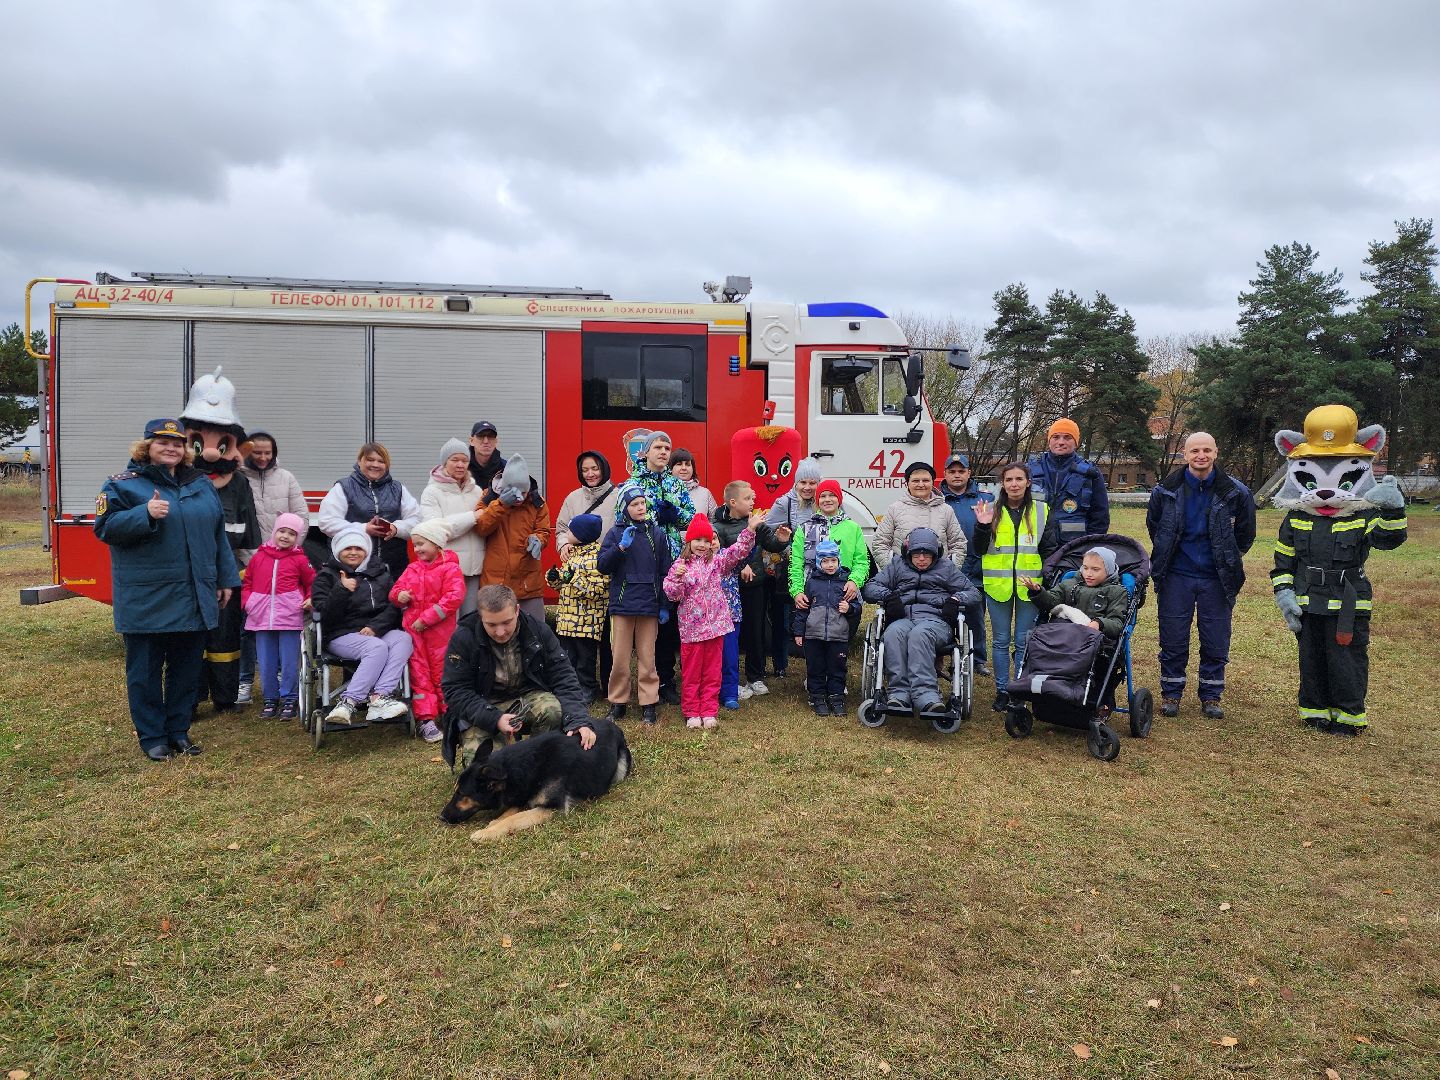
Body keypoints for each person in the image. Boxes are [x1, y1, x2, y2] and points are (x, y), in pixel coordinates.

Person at [94, 418, 240, 761]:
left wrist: (225, 579)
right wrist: (143, 513)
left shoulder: (200, 485)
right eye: (162, 442)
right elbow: (104, 527)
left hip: (194, 594)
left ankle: (178, 732)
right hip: (147, 597)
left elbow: (218, 535)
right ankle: (153, 738)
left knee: (187, 669)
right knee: (144, 673)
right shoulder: (122, 485)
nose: (171, 448)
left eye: (177, 443)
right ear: (147, 447)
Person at [1146, 432, 1257, 720]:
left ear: (1216, 453)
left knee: (1215, 639)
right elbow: (1156, 529)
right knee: (1173, 638)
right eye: (1195, 450)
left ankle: (1211, 695)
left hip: (1217, 579)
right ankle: (1171, 693)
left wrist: (1226, 558)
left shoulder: (1236, 492)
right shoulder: (1165, 491)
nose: (1201, 456)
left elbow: (1245, 535)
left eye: (1207, 450)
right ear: (1185, 454)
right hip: (1176, 576)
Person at [441, 584, 598, 771]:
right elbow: (455, 690)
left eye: (506, 622)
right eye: (491, 625)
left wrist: (579, 720)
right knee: (485, 772)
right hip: (482, 706)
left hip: (525, 699)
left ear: (517, 610)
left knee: (551, 709)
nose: (500, 632)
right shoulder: (463, 638)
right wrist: (494, 718)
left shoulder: (538, 630)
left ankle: (538, 763)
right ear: (481, 615)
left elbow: (563, 676)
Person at [972, 461, 1061, 709]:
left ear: (1028, 482)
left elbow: (1050, 550)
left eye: (1019, 479)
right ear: (1003, 483)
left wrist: (1045, 578)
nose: (1014, 484)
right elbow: (978, 550)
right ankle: (1002, 690)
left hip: (1029, 587)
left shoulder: (1042, 511)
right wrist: (981, 525)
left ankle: (1020, 690)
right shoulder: (988, 510)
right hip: (997, 585)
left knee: (1024, 640)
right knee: (1000, 640)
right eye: (1009, 480)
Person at [861, 527, 979, 715]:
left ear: (935, 554)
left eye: (927, 555)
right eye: (917, 554)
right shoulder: (897, 565)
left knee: (919, 634)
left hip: (936, 621)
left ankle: (927, 696)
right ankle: (899, 694)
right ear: (908, 553)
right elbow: (870, 588)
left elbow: (974, 593)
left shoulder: (946, 568)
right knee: (893, 633)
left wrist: (956, 600)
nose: (922, 559)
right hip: (904, 619)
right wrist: (889, 596)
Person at [662, 511, 761, 729]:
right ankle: (691, 712)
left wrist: (750, 529)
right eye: (698, 540)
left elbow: (737, 552)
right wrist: (678, 577)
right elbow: (672, 594)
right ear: (689, 541)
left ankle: (708, 710)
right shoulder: (680, 565)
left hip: (716, 627)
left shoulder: (717, 563)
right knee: (692, 672)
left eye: (706, 541)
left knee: (712, 672)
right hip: (692, 630)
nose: (702, 545)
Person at [311, 525, 413, 725]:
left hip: (376, 630)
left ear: (366, 550)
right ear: (338, 550)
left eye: (358, 548)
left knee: (403, 639)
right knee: (377, 647)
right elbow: (324, 614)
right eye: (348, 549)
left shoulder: (380, 572)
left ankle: (379, 697)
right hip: (341, 634)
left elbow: (394, 604)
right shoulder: (327, 575)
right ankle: (349, 702)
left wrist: (376, 626)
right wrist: (341, 590)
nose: (353, 552)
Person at [239, 429, 308, 699]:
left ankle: (282, 675)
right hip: (249, 559)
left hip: (285, 561)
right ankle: (245, 680)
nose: (264, 457)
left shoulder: (286, 478)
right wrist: (251, 557)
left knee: (283, 624)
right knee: (249, 627)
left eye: (268, 453)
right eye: (258, 453)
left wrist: (290, 549)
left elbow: (301, 515)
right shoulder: (238, 478)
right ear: (247, 452)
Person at [626, 431, 694, 705]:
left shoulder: (676, 484)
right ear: (645, 452)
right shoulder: (633, 482)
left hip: (674, 565)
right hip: (645, 562)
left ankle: (667, 680)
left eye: (667, 447)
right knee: (647, 624)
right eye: (658, 447)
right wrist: (655, 515)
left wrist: (675, 514)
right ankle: (647, 678)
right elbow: (625, 514)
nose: (664, 452)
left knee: (669, 627)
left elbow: (691, 516)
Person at [596, 484, 673, 725]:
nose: (640, 508)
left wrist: (664, 604)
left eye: (642, 503)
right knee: (619, 657)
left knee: (647, 657)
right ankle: (618, 702)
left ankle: (648, 703)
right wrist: (620, 548)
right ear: (624, 509)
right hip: (622, 605)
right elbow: (603, 565)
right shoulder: (616, 533)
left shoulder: (657, 534)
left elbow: (665, 571)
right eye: (634, 504)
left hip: (649, 604)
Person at [711, 480, 787, 707]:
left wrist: (782, 539)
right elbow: (718, 552)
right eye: (748, 498)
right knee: (733, 635)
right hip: (728, 590)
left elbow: (771, 544)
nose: (753, 502)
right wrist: (739, 565)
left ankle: (756, 676)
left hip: (755, 585)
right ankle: (731, 681)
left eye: (753, 498)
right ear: (733, 502)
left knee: (756, 629)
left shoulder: (756, 522)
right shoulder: (718, 525)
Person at [390, 519, 466, 743]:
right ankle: (426, 718)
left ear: (436, 543)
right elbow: (395, 590)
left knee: (444, 673)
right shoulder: (412, 569)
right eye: (415, 545)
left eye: (422, 544)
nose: (417, 549)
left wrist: (426, 618)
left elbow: (454, 598)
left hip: (440, 636)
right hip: (415, 634)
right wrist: (399, 596)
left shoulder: (450, 568)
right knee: (419, 674)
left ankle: (451, 714)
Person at [241, 511, 315, 721]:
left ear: (297, 538)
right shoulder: (259, 557)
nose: (285, 536)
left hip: (289, 617)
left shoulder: (300, 560)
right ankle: (270, 698)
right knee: (266, 662)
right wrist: (249, 602)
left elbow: (312, 584)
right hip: (260, 617)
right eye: (282, 531)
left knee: (290, 661)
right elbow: (247, 583)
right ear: (274, 531)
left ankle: (290, 698)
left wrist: (310, 599)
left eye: (291, 534)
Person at [318, 442, 420, 582]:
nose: (375, 465)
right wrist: (363, 529)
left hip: (394, 568)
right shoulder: (343, 487)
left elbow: (417, 520)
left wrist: (395, 528)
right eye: (370, 460)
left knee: (392, 603)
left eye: (381, 461)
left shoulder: (398, 488)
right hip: (352, 570)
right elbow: (326, 522)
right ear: (360, 461)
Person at [764, 457, 824, 679]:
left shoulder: (825, 501)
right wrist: (784, 542)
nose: (807, 488)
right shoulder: (784, 503)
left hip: (819, 570)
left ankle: (815, 663)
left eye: (812, 483)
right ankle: (780, 664)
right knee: (783, 617)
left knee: (814, 616)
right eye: (803, 483)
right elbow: (767, 532)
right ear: (796, 483)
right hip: (790, 569)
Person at [475, 453, 551, 624]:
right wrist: (502, 504)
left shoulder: (537, 501)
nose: (520, 497)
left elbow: (544, 530)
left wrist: (538, 540)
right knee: (495, 630)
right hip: (496, 580)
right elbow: (481, 527)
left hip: (527, 581)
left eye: (524, 492)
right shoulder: (489, 497)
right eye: (515, 492)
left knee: (535, 630)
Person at [789, 478, 868, 638]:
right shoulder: (805, 528)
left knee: (839, 645)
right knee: (814, 644)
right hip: (814, 595)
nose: (827, 500)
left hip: (843, 592)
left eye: (832, 495)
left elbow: (862, 561)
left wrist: (854, 581)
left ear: (839, 499)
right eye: (823, 496)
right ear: (817, 501)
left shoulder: (853, 528)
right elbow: (796, 563)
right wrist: (797, 591)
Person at [941, 451, 995, 677]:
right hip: (947, 564)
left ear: (969, 473)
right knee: (945, 613)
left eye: (961, 471)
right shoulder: (937, 498)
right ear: (945, 474)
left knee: (975, 615)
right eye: (952, 472)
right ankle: (942, 654)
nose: (956, 475)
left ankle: (978, 658)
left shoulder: (985, 499)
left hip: (976, 564)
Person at [419, 437, 486, 616]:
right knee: (449, 622)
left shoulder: (477, 491)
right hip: (447, 569)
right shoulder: (432, 492)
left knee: (471, 620)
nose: (460, 465)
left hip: (476, 569)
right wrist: (472, 517)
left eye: (464, 460)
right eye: (454, 460)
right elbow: (435, 530)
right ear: (444, 462)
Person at [549, 513, 610, 704]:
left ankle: (588, 689)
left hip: (587, 623)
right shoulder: (572, 555)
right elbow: (563, 585)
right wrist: (554, 578)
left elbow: (598, 590)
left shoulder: (597, 558)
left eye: (571, 530)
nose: (567, 533)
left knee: (585, 661)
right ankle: (571, 689)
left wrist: (573, 579)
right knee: (568, 658)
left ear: (582, 535)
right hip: (567, 620)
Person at [793, 538, 853, 716]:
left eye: (833, 560)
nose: (829, 565)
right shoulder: (811, 583)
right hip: (814, 635)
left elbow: (857, 606)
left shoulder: (845, 583)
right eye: (825, 561)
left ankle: (837, 698)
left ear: (839, 561)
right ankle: (817, 697)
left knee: (837, 668)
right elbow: (802, 610)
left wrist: (849, 608)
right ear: (819, 562)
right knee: (815, 667)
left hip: (838, 635)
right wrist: (799, 631)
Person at [1028, 418, 1110, 543]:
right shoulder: (1030, 469)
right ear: (1049, 440)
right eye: (1056, 437)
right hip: (1035, 544)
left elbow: (1100, 516)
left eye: (1067, 437)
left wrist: (1090, 546)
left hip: (1074, 548)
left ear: (1076, 442)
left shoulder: (1090, 472)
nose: (1061, 442)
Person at [872, 461, 967, 568]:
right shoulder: (894, 509)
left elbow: (959, 544)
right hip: (902, 581)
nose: (921, 484)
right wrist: (896, 571)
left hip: (938, 581)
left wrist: (947, 571)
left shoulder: (946, 510)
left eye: (925, 480)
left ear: (932, 482)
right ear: (907, 483)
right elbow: (879, 544)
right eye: (915, 481)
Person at [554, 451, 621, 558]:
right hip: (580, 568)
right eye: (585, 470)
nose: (590, 474)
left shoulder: (619, 497)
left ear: (604, 469)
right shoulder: (572, 498)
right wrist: (564, 544)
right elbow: (562, 530)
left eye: (595, 469)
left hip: (610, 565)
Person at [669, 448, 717, 518]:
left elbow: (715, 521)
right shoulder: (662, 492)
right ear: (670, 468)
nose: (684, 468)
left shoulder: (705, 493)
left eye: (688, 464)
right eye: (679, 464)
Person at [467, 420, 507, 495]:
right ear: (471, 441)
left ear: (496, 442)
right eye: (480, 436)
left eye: (491, 436)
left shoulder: (506, 469)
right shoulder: (462, 468)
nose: (486, 441)